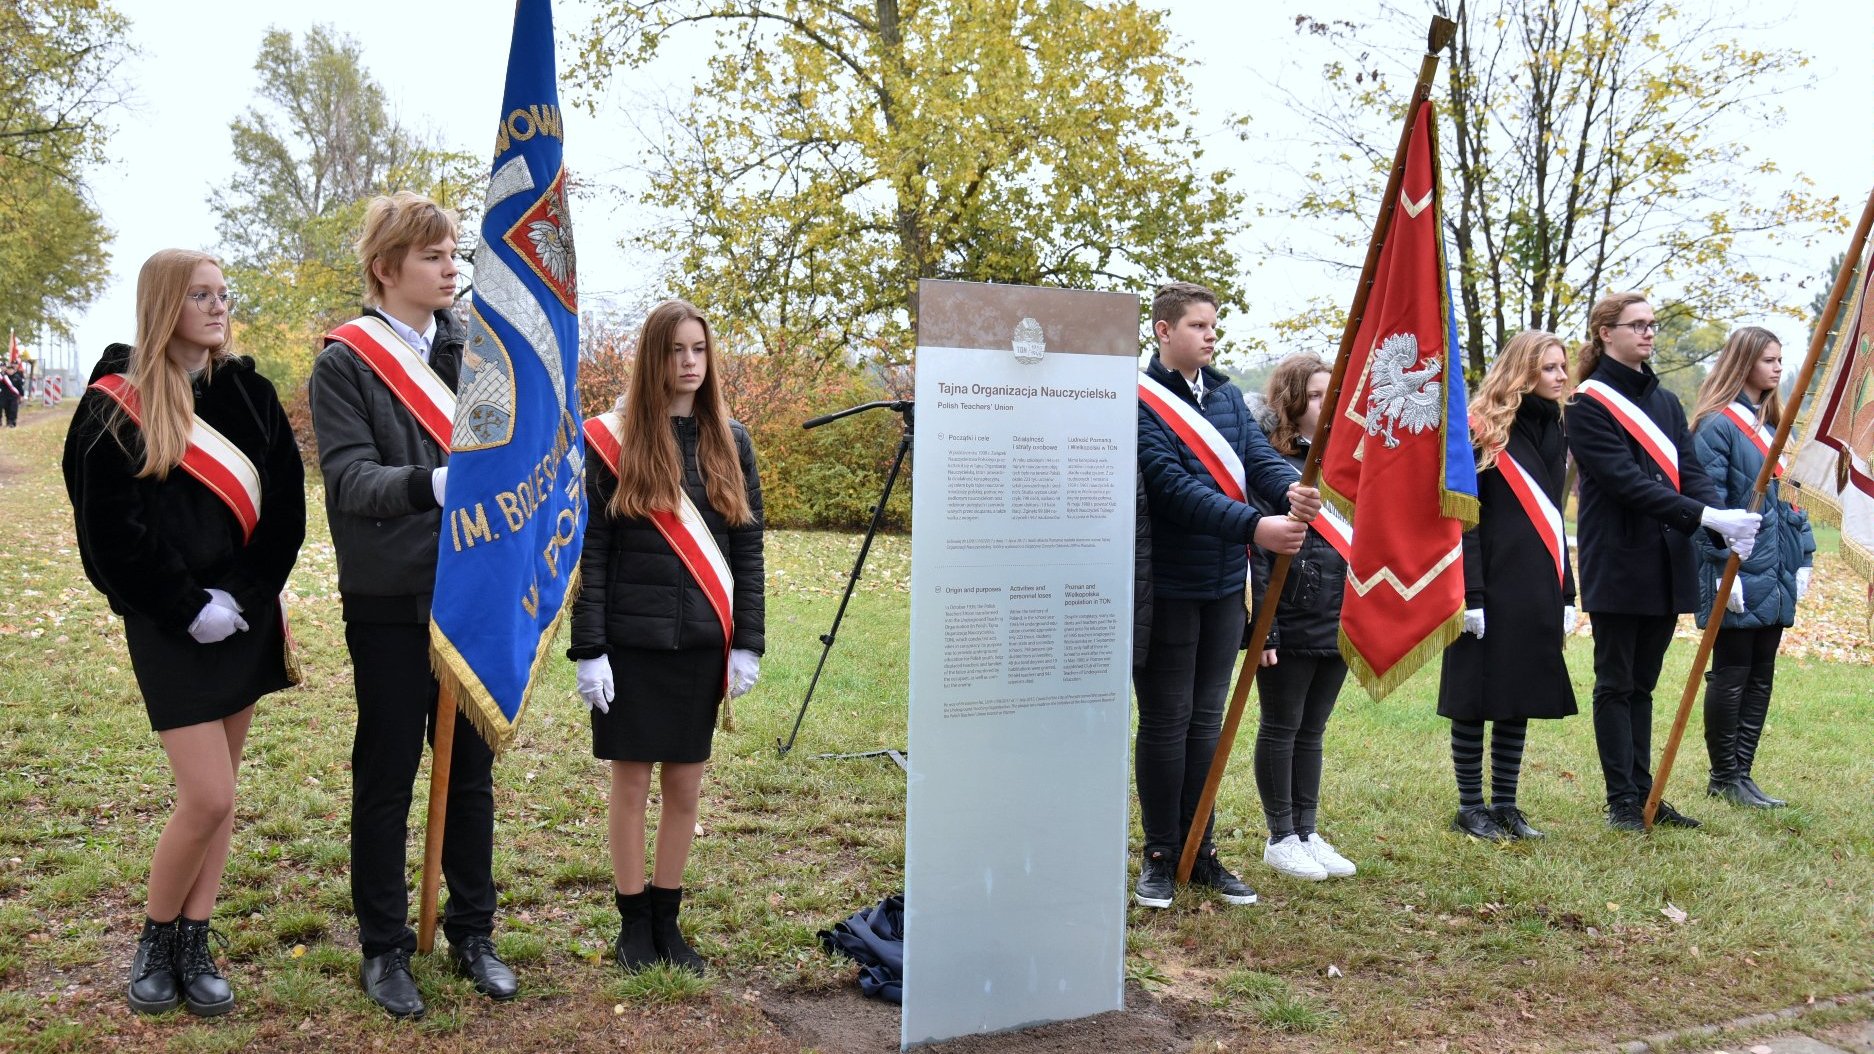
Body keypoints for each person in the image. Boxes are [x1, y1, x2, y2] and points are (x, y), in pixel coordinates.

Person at [62, 249, 305, 1016]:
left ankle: (193, 944)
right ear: (166, 302)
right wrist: (184, 603)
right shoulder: (115, 401)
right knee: (205, 795)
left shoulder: (252, 394)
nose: (216, 306)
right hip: (171, 624)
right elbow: (109, 532)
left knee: (223, 798)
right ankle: (154, 935)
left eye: (222, 294)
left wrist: (238, 596)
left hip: (243, 616)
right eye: (199, 294)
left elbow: (286, 515)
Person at [309, 192, 515, 1017]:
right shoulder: (343, 364)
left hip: (471, 589)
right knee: (389, 772)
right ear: (385, 267)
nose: (451, 267)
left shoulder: (474, 356)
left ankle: (472, 931)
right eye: (433, 255)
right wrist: (440, 482)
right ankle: (385, 947)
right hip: (391, 595)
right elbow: (352, 482)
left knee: (469, 775)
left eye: (454, 253)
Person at [570, 299, 765, 974]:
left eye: (699, 350)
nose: (689, 363)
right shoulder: (613, 441)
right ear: (653, 357)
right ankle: (632, 926)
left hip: (701, 648)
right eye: (676, 350)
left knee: (684, 788)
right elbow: (590, 551)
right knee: (630, 788)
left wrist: (748, 641)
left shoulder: (731, 440)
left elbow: (748, 550)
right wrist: (589, 647)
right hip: (630, 647)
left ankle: (668, 921)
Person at [1134, 281, 1320, 908]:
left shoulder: (1227, 398)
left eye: (1214, 327)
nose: (1210, 336)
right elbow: (1171, 489)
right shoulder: (1138, 402)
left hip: (1222, 588)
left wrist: (1289, 488)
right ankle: (1161, 853)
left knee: (1207, 724)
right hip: (1166, 587)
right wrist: (1256, 525)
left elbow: (1256, 463)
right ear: (1163, 331)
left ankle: (1200, 849)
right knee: (1167, 722)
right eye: (1197, 326)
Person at [1566, 293, 1760, 832]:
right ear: (1606, 332)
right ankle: (1621, 801)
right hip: (1619, 558)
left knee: (1644, 685)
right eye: (1638, 325)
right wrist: (1704, 517)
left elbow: (1689, 469)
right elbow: (1624, 482)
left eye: (1652, 325)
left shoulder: (1667, 403)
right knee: (1616, 681)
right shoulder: (1587, 404)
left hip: (1664, 559)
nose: (1649, 334)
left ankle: (1644, 791)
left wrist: (1722, 520)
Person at [1437, 331, 1578, 841]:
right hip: (1486, 583)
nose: (1562, 376)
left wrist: (1567, 592)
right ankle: (1469, 806)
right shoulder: (1479, 430)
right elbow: (1462, 520)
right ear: (1521, 371)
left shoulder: (1558, 427)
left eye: (1563, 367)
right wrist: (1469, 595)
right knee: (1475, 695)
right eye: (1550, 368)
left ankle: (1506, 805)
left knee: (1518, 693)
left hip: (1535, 582)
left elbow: (1555, 518)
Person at [1688, 326, 1815, 809]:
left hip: (1777, 568)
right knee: (1733, 671)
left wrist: (1804, 556)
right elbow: (1708, 503)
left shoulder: (1779, 426)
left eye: (1780, 360)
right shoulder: (1717, 426)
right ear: (1743, 363)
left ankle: (1743, 773)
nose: (1778, 368)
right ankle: (1723, 775)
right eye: (1768, 360)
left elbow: (1793, 499)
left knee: (1762, 670)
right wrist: (1725, 569)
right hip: (1738, 569)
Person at [1250, 354, 1356, 880]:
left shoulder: (1348, 465)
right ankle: (1280, 836)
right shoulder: (1273, 466)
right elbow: (1261, 552)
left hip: (1336, 613)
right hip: (1288, 613)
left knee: (1312, 729)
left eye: (1331, 395)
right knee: (1282, 726)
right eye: (1315, 396)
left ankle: (1308, 830)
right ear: (1291, 402)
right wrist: (1263, 626)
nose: (1325, 404)